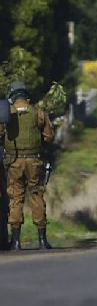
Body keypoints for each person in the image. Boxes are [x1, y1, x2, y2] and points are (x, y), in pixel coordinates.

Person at [0, 82, 55, 250]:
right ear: (25, 95)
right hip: (34, 161)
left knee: (15, 199)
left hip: (14, 162)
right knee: (36, 197)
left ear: (12, 95)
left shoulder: (6, 113)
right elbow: (49, 136)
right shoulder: (38, 113)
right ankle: (42, 241)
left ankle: (16, 242)